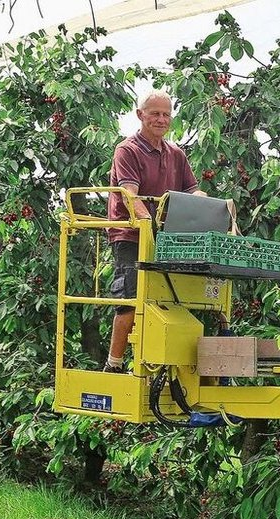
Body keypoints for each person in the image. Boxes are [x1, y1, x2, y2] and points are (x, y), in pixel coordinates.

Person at [103, 89, 208, 372]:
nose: (161, 120)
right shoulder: (128, 151)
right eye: (155, 114)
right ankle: (114, 363)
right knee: (130, 298)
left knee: (176, 297)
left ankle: (170, 363)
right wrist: (147, 224)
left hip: (166, 236)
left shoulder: (176, 154)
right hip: (131, 235)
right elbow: (130, 195)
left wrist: (209, 207)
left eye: (166, 114)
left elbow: (192, 190)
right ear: (140, 115)